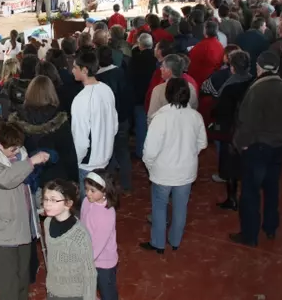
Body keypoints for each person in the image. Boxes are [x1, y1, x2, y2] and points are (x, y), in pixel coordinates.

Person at [230, 51, 282, 247]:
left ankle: (250, 235)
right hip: (279, 146)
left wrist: (239, 144)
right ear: (278, 68)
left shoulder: (256, 90)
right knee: (272, 189)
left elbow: (247, 123)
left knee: (250, 192)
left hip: (257, 147)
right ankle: (270, 227)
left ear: (259, 66)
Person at [0, 123, 50, 300]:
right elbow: (6, 178)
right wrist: (31, 162)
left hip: (23, 225)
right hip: (2, 233)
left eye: (19, 147)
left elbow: (29, 184)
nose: (17, 151)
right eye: (13, 149)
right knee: (8, 286)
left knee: (22, 280)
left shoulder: (20, 152)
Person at [140, 78, 207, 253]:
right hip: (186, 171)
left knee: (159, 207)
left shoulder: (160, 118)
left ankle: (158, 243)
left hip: (162, 172)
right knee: (180, 207)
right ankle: (175, 241)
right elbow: (202, 144)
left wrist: (150, 166)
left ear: (167, 94)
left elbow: (150, 151)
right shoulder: (196, 117)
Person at [10, 75, 79, 187]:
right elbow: (68, 155)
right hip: (56, 182)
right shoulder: (59, 119)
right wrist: (74, 181)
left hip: (26, 179)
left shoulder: (16, 120)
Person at [211, 51, 254, 211]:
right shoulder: (252, 81)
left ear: (233, 67)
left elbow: (221, 109)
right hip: (249, 128)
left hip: (231, 129)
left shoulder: (229, 86)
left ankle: (232, 198)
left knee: (230, 165)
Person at [42, 179, 97, 300]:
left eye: (53, 200)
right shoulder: (47, 223)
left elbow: (89, 272)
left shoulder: (79, 234)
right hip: (52, 291)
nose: (47, 204)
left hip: (73, 295)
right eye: (45, 199)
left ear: (68, 203)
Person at [71, 51, 118, 189]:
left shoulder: (81, 99)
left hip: (88, 164)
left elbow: (80, 139)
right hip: (105, 157)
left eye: (75, 67)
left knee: (87, 207)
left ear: (84, 70)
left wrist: (76, 162)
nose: (72, 70)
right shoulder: (107, 89)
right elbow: (114, 125)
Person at [96, 46, 133, 192]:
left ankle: (109, 187)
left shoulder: (98, 80)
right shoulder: (121, 72)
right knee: (123, 152)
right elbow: (129, 96)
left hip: (106, 124)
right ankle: (126, 184)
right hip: (123, 120)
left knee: (108, 154)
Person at [81, 170, 119, 300]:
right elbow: (82, 223)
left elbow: (98, 244)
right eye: (86, 189)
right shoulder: (86, 201)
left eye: (92, 191)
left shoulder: (106, 214)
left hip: (103, 262)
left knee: (107, 292)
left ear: (104, 192)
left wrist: (84, 261)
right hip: (88, 255)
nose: (87, 193)